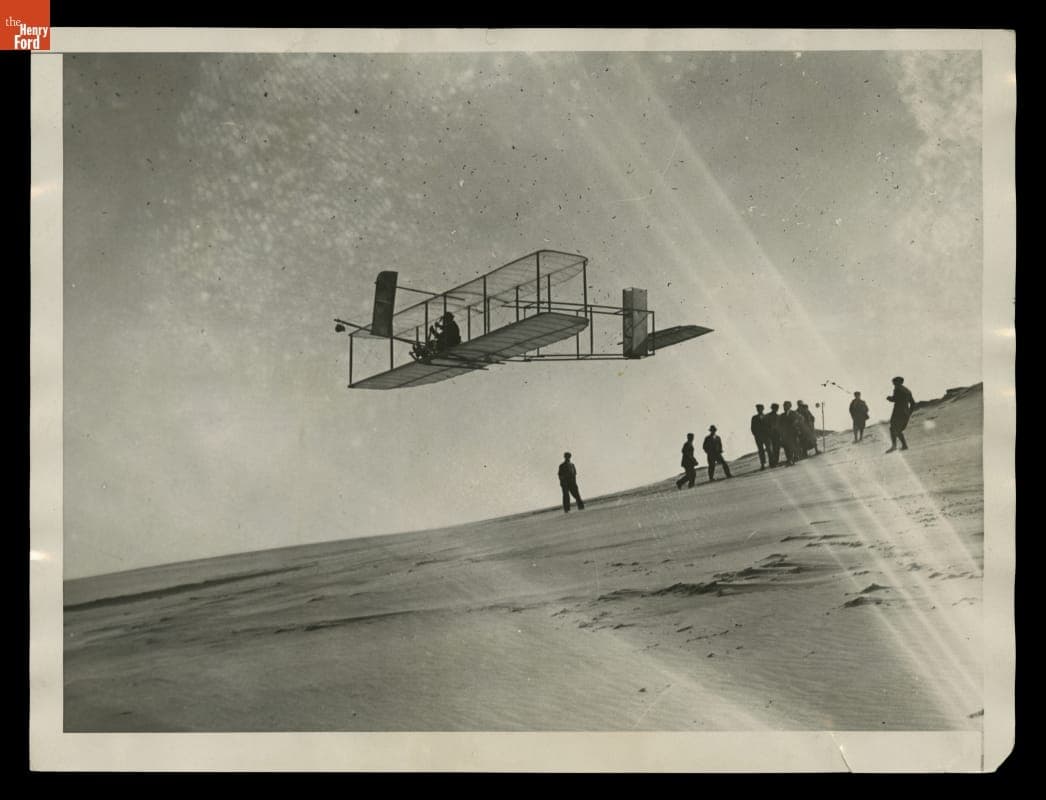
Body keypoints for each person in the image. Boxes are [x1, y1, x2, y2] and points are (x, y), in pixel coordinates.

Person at [886, 377, 916, 452]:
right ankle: (904, 445)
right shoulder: (908, 391)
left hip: (898, 412)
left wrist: (889, 398)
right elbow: (913, 403)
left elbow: (895, 399)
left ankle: (894, 446)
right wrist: (909, 412)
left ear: (898, 382)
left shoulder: (897, 389)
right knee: (898, 429)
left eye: (894, 383)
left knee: (893, 428)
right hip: (905, 412)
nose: (893, 384)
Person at [750, 404, 772, 470]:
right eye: (758, 409)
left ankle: (771, 463)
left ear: (763, 409)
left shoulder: (767, 417)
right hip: (758, 437)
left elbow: (770, 426)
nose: (759, 410)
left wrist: (769, 434)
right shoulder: (754, 418)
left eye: (760, 408)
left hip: (767, 437)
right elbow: (752, 428)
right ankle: (763, 464)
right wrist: (756, 435)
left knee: (769, 450)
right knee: (761, 451)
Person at [779, 401, 800, 466]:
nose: (784, 407)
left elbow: (799, 420)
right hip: (785, 434)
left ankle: (794, 457)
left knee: (794, 445)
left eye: (786, 405)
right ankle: (790, 459)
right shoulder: (782, 415)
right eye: (784, 405)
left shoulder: (794, 413)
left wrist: (795, 424)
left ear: (790, 406)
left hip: (793, 433)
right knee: (787, 447)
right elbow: (780, 425)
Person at [765, 403, 782, 467]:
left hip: (777, 435)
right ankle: (772, 463)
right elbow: (765, 426)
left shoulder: (778, 416)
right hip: (770, 435)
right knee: (771, 450)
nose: (776, 409)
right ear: (772, 408)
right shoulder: (767, 416)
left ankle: (776, 462)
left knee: (777, 449)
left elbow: (780, 426)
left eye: (777, 408)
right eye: (774, 408)